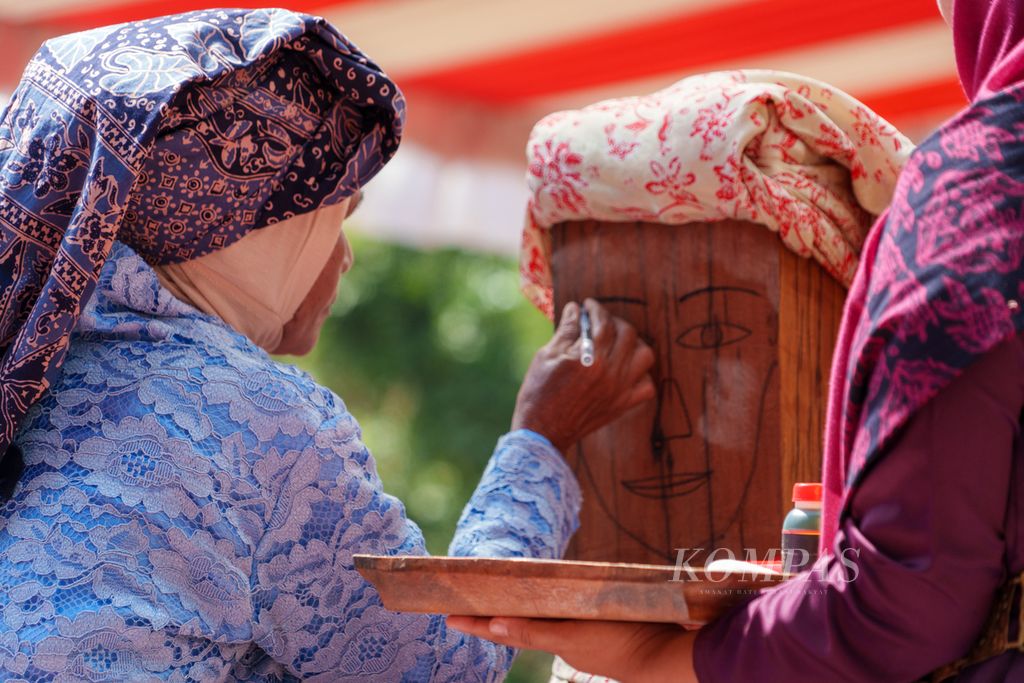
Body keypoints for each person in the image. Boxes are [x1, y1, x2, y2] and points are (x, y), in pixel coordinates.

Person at [0, 9, 655, 682]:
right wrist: (542, 439)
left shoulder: (30, 353)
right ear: (246, 236)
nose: (342, 258)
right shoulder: (253, 419)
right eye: (334, 218)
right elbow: (448, 664)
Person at [448, 0, 1024, 680]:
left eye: (718, 333)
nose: (669, 422)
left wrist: (655, 656)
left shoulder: (981, 190)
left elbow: (905, 599)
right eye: (608, 330)